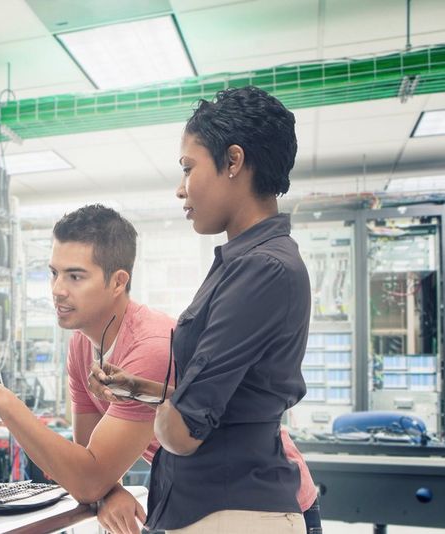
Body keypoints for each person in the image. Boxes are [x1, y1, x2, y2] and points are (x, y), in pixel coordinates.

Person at [0, 204, 321, 534]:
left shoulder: (150, 346)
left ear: (118, 282)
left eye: (75, 276)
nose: (57, 289)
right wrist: (108, 489)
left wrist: (3, 401)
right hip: (204, 498)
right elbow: (86, 460)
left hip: (265, 503)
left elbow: (87, 476)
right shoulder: (82, 344)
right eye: (54, 272)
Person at [90, 86, 316, 533]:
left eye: (188, 168)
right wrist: (142, 389)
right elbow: (223, 401)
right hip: (208, 508)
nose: (181, 189)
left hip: (233, 513)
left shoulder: (262, 270)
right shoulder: (242, 263)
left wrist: (160, 417)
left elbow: (182, 433)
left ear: (233, 161)